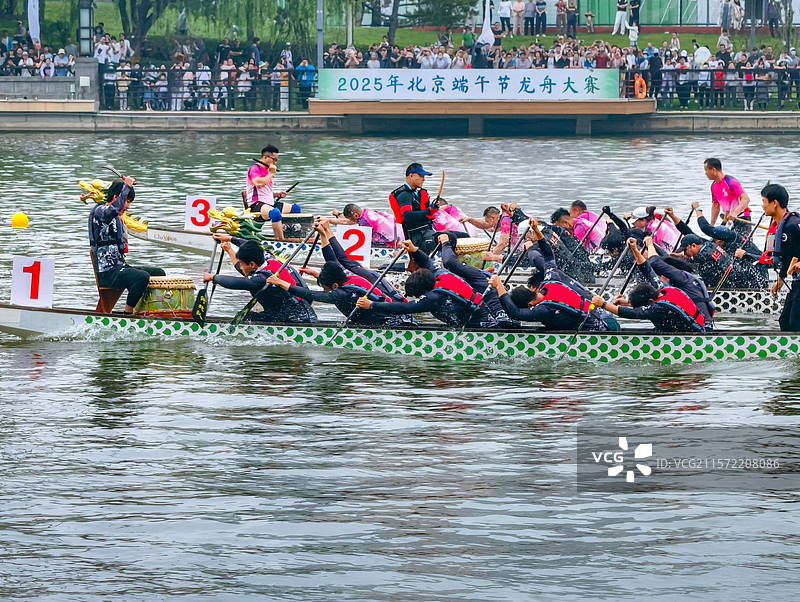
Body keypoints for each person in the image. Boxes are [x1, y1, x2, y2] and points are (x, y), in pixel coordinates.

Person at [355, 236, 513, 329]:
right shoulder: (440, 274)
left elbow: (405, 307)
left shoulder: (434, 297)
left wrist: (372, 305)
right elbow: (428, 263)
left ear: (423, 291)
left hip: (480, 326)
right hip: (483, 316)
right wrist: (414, 250)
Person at [488, 219, 617, 331]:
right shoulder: (551, 278)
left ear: (531, 304)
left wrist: (499, 286)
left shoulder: (543, 309)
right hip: (607, 316)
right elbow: (549, 256)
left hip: (599, 328)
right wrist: (537, 232)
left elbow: (515, 313)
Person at [594, 238, 711, 333]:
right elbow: (647, 269)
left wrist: (603, 304)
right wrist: (635, 249)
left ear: (650, 300)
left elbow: (629, 313)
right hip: (699, 327)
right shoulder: (665, 289)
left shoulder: (657, 309)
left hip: (694, 336)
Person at [89, 176, 165, 313]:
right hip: (107, 272)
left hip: (119, 266)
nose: (128, 206)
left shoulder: (115, 215)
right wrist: (127, 187)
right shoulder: (100, 212)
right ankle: (128, 315)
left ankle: (146, 310)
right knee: (142, 277)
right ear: (117, 197)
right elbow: (113, 210)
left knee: (159, 273)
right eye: (127, 201)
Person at [205, 234, 316, 323]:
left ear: (252, 264)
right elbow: (251, 247)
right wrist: (230, 240)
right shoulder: (269, 259)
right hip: (302, 311)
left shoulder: (261, 279)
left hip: (296, 318)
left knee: (248, 318)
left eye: (242, 263)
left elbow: (237, 283)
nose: (240, 266)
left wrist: (214, 278)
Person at [762, 184, 800, 330]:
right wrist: (780, 280)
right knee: (785, 322)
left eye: (764, 202)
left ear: (775, 203)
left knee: (795, 323)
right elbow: (788, 256)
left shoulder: (793, 224)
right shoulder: (781, 226)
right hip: (796, 282)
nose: (763, 206)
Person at [245, 145, 301, 239]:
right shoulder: (254, 168)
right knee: (275, 213)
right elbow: (258, 183)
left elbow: (265, 191)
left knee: (295, 208)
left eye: (276, 160)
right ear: (265, 157)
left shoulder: (267, 171)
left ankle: (292, 236)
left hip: (269, 203)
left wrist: (278, 195)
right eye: (273, 159)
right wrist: (271, 174)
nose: (274, 163)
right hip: (255, 204)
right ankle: (280, 240)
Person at [388, 163, 438, 256]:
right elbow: (407, 216)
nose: (424, 179)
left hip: (426, 233)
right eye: (421, 176)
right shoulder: (404, 194)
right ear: (411, 176)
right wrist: (428, 211)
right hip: (418, 237)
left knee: (460, 236)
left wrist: (432, 209)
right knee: (450, 238)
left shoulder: (415, 194)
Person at [703, 157, 751, 234]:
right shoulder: (713, 186)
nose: (705, 173)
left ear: (713, 170)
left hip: (741, 218)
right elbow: (715, 206)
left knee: (742, 245)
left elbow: (746, 199)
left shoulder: (730, 182)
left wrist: (735, 213)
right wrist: (711, 226)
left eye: (706, 170)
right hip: (728, 219)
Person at [331, 203, 398, 246]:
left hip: (390, 242)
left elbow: (347, 223)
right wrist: (338, 215)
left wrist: (329, 221)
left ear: (356, 215)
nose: (351, 221)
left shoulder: (364, 222)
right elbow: (349, 222)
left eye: (350, 218)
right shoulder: (367, 212)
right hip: (396, 234)